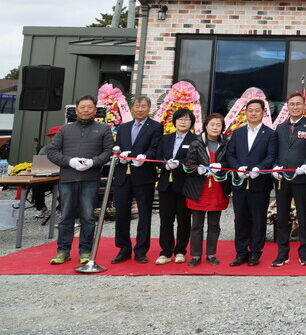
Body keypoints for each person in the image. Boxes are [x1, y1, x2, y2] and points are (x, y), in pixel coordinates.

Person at [45, 95, 114, 265]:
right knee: (66, 216)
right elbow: (52, 151)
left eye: (89, 107)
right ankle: (63, 251)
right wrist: (69, 161)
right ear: (75, 110)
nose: (85, 110)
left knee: (88, 216)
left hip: (90, 178)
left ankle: (85, 251)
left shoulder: (104, 129)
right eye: (82, 107)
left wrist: (93, 162)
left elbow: (108, 152)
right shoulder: (64, 130)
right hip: (68, 178)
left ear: (95, 110)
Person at [225, 99, 278, 267]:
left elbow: (271, 156)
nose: (253, 113)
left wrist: (259, 168)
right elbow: (230, 154)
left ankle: (255, 253)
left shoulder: (270, 134)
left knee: (258, 219)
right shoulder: (238, 132)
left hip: (259, 183)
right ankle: (241, 253)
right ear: (246, 113)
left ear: (263, 113)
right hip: (240, 183)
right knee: (240, 219)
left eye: (257, 110)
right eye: (250, 110)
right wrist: (237, 168)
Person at [111, 96, 163, 264]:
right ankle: (123, 249)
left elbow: (156, 149)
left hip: (144, 175)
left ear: (149, 108)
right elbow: (117, 147)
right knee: (121, 214)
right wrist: (121, 157)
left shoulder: (155, 127)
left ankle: (141, 250)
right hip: (123, 176)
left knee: (144, 214)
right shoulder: (124, 127)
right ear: (132, 108)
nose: (140, 109)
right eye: (137, 106)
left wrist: (145, 157)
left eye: (143, 106)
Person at [271, 92, 306, 266]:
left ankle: (304, 253)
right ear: (287, 107)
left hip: (301, 178)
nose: (295, 107)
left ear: (304, 106)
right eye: (292, 104)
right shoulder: (280, 127)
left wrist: (305, 165)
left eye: (299, 104)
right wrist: (275, 166)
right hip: (282, 178)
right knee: (282, 217)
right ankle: (283, 253)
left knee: (303, 217)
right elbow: (274, 150)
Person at [183, 113, 231, 266]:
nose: (215, 127)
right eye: (212, 124)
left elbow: (230, 161)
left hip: (218, 187)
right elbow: (188, 164)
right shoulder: (196, 143)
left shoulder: (226, 143)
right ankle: (196, 255)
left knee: (214, 224)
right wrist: (197, 170)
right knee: (196, 224)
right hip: (199, 188)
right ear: (205, 126)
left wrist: (221, 166)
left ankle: (211, 253)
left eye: (219, 125)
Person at [155, 108, 199, 265]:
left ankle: (180, 250)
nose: (183, 122)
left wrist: (179, 163)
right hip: (166, 184)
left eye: (187, 119)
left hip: (185, 185)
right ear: (174, 121)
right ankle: (165, 252)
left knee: (183, 219)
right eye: (180, 119)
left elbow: (195, 159)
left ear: (191, 122)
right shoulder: (165, 138)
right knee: (166, 220)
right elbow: (157, 157)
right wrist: (164, 164)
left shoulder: (196, 139)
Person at [31, 126, 60, 218]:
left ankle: (63, 210)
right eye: (53, 136)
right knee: (36, 185)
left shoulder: (69, 149)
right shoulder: (44, 150)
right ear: (50, 137)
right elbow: (38, 166)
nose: (55, 138)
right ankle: (41, 208)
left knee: (68, 187)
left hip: (64, 179)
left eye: (57, 135)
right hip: (48, 178)